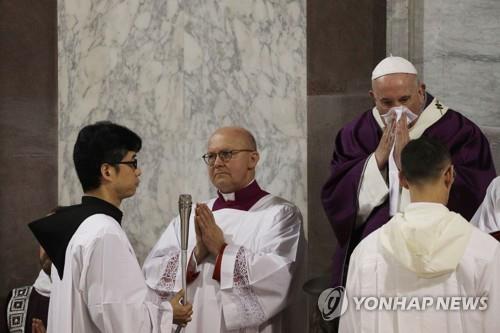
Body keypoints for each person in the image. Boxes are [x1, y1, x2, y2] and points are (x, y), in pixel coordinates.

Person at [321, 56, 497, 287]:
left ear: (421, 91)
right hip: (375, 255)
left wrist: (410, 163)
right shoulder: (355, 133)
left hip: (440, 252)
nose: (397, 110)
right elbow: (337, 197)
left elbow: (475, 194)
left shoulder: (459, 131)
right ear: (373, 97)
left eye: (404, 99)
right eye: (386, 102)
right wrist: (375, 163)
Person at [28, 121, 193, 332]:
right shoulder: (103, 232)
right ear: (107, 171)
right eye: (132, 162)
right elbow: (121, 320)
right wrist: (168, 313)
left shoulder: (78, 227)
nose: (138, 171)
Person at [143, 127, 305, 333]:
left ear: (253, 159)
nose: (217, 162)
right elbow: (153, 273)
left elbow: (280, 277)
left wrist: (221, 250)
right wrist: (195, 255)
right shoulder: (192, 215)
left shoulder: (280, 214)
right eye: (211, 156)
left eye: (227, 154)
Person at [339, 137, 500, 332]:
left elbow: (351, 325)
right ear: (449, 175)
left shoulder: (366, 251)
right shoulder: (485, 251)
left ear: (402, 180)